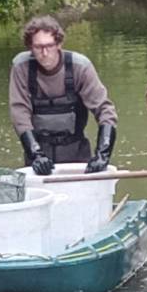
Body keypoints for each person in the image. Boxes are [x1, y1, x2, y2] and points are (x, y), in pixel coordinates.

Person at [9, 16, 117, 176]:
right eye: (38, 47)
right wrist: (35, 154)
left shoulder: (80, 67)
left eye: (49, 46)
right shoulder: (21, 67)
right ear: (30, 47)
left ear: (59, 44)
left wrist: (103, 154)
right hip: (39, 156)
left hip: (76, 152)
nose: (44, 53)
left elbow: (105, 110)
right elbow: (20, 113)